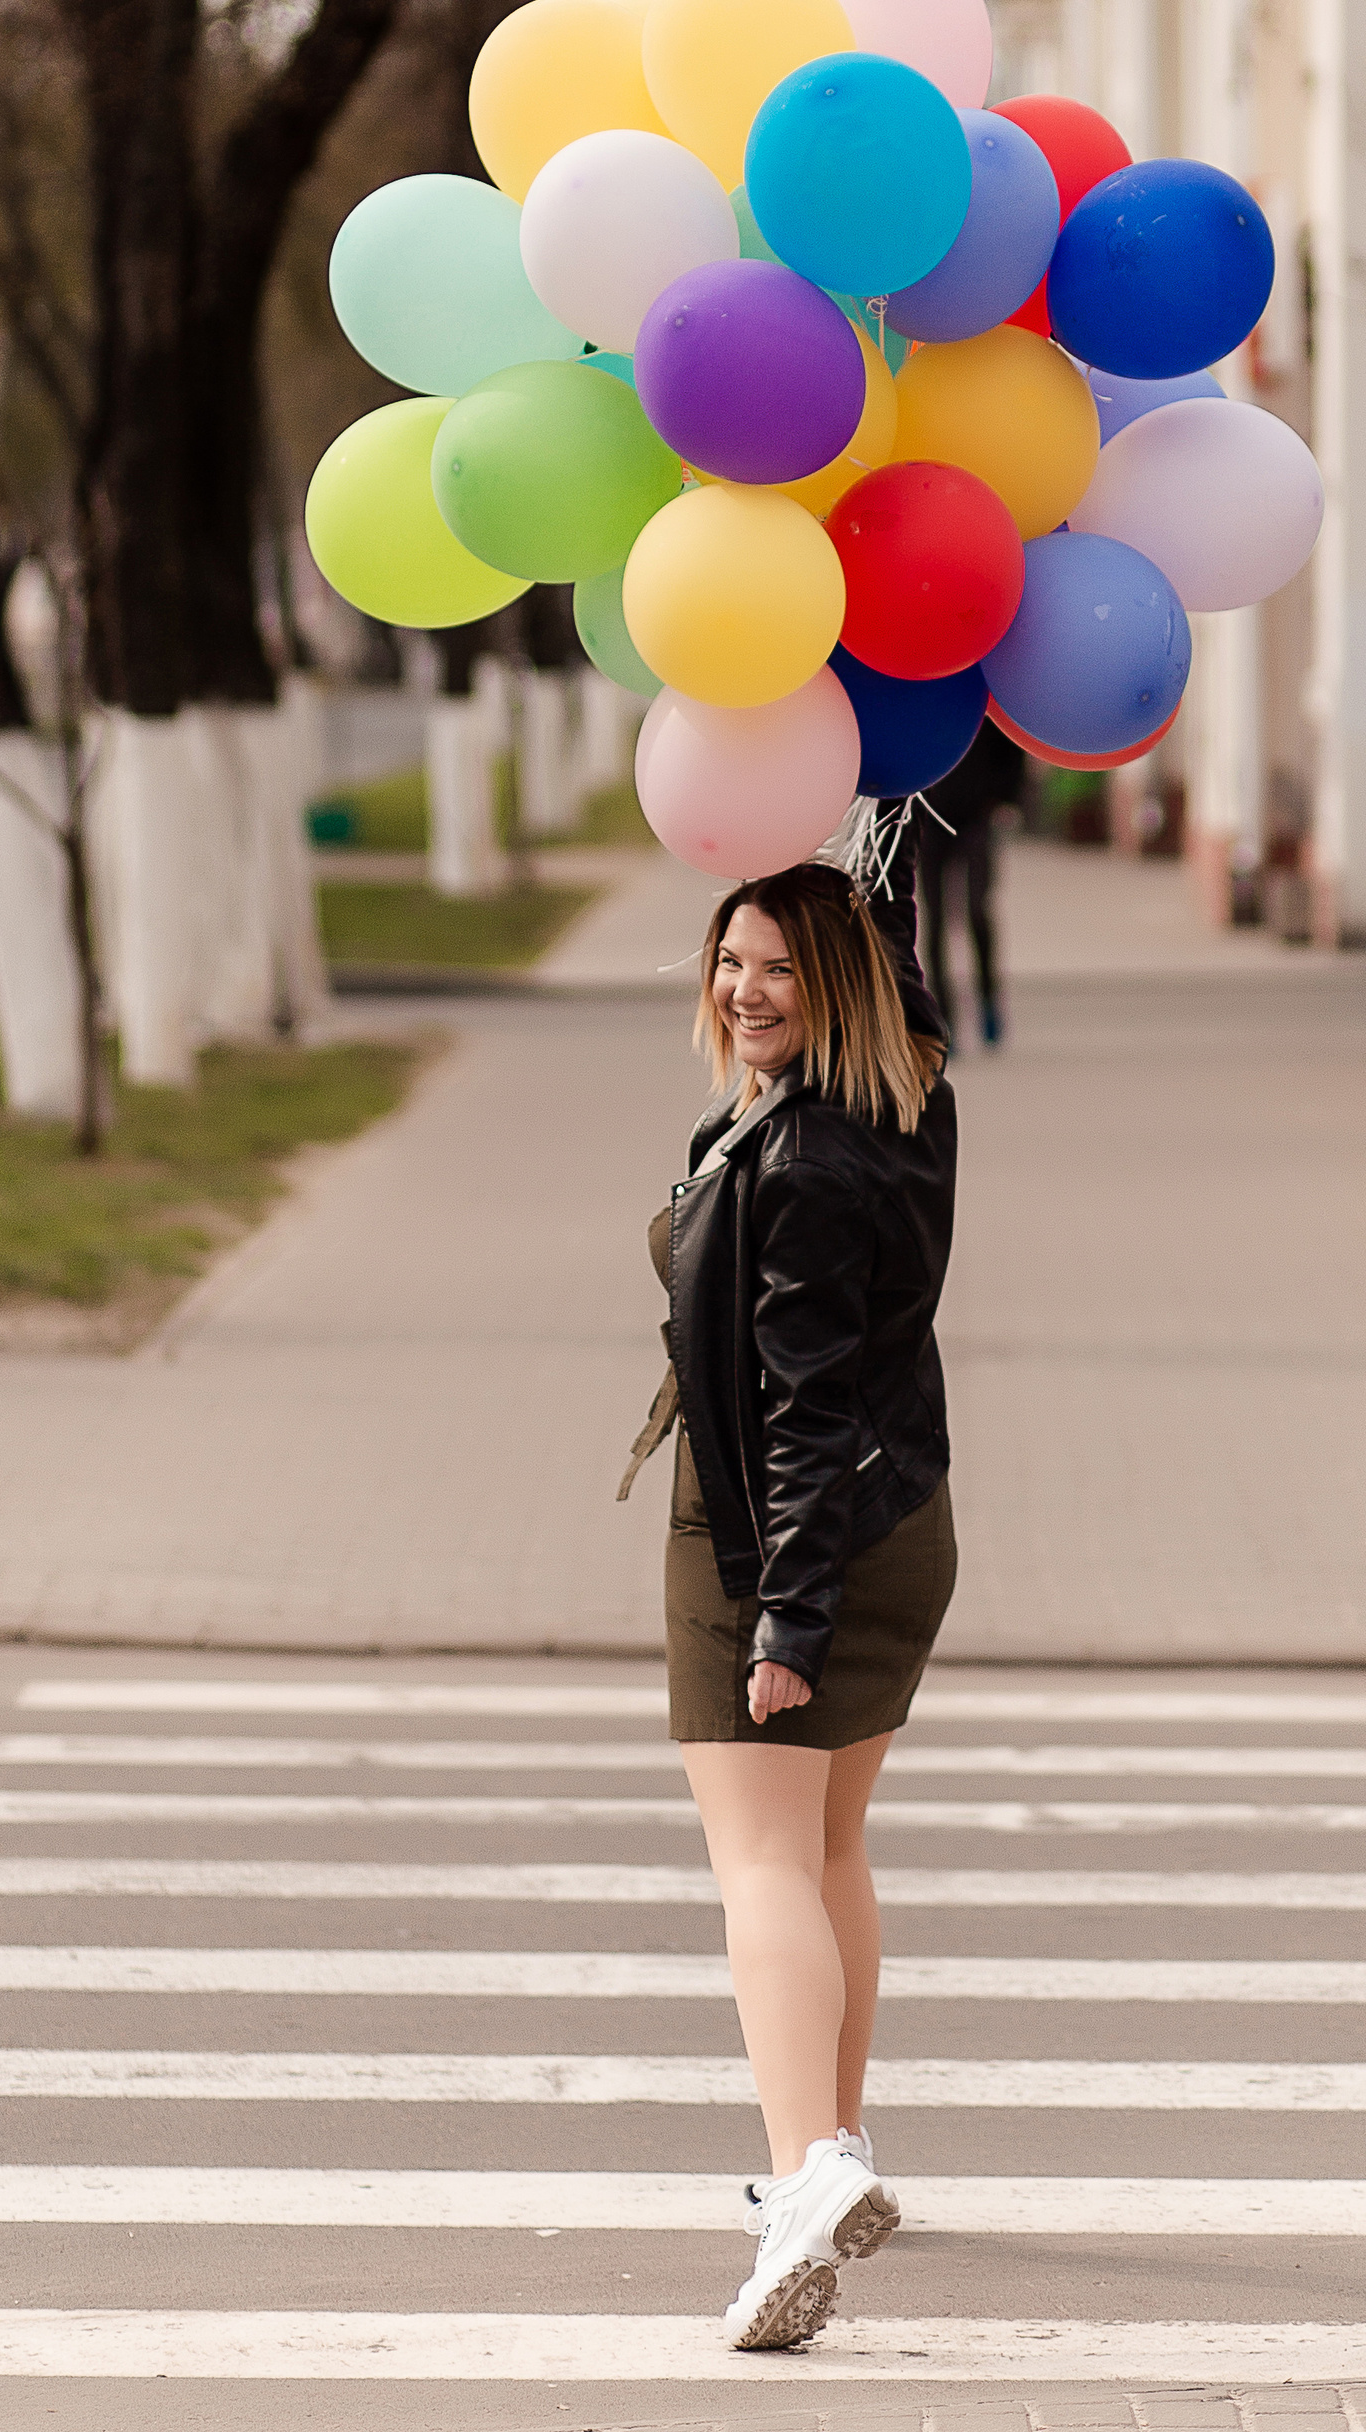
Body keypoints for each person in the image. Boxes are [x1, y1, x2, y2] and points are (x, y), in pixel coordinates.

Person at [618, 827, 959, 2352]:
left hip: (779, 1531)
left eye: (779, 969)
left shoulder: (809, 1164)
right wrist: (871, 818)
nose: (744, 989)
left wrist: (786, 1617)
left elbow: (802, 1408)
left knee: (761, 1859)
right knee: (828, 1846)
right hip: (900, 1516)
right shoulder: (909, 1093)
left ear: (837, 985)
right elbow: (899, 966)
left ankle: (805, 2177)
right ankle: (838, 2145)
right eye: (730, 959)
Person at [913, 716, 1025, 1046]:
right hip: (930, 818)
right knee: (935, 920)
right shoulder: (923, 698)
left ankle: (988, 998)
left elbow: (1011, 744)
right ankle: (943, 1014)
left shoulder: (983, 700)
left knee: (978, 909)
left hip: (978, 815)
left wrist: (1006, 798)